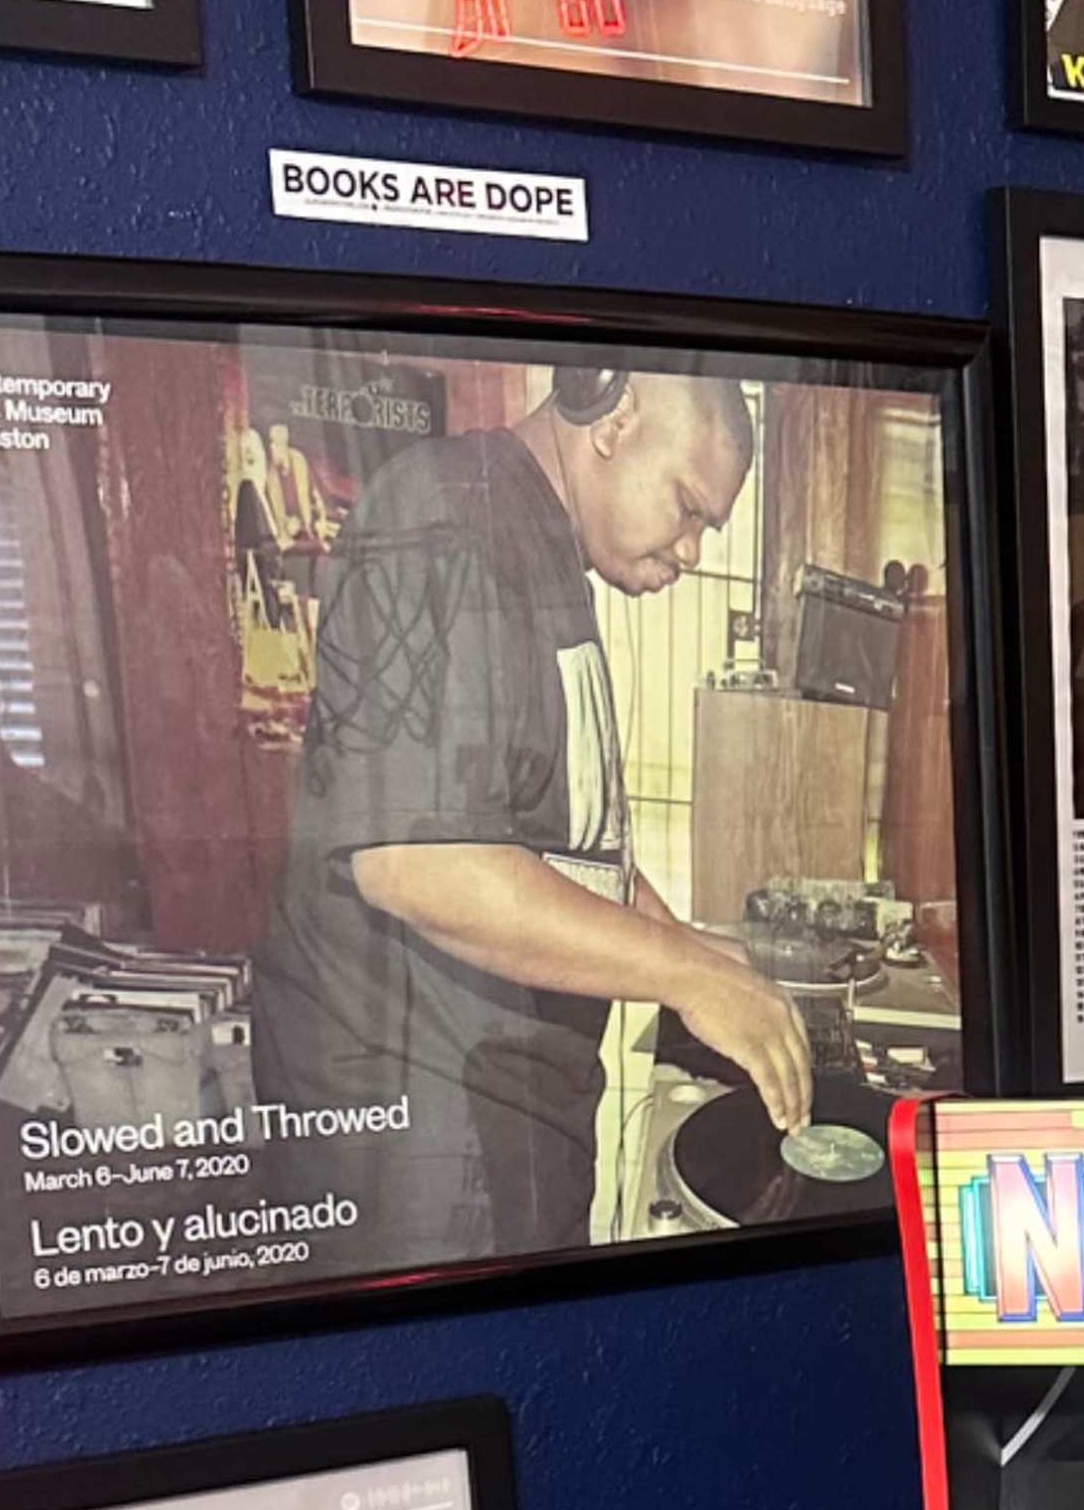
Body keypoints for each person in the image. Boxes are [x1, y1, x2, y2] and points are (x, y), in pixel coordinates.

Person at [244, 367, 813, 1270]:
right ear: (613, 416)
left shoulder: (535, 545)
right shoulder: (446, 519)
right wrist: (686, 977)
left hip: (494, 1124)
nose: (695, 549)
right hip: (420, 1152)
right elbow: (421, 863)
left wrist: (700, 954)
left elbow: (566, 847)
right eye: (688, 507)